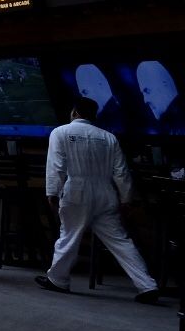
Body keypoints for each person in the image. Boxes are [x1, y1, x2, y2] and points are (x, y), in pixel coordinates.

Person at [35, 96, 159, 302]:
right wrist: (126, 198)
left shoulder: (61, 132)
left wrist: (52, 192)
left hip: (76, 190)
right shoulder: (108, 137)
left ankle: (58, 279)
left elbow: (56, 166)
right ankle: (147, 285)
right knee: (120, 241)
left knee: (68, 237)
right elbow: (121, 172)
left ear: (74, 112)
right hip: (105, 193)